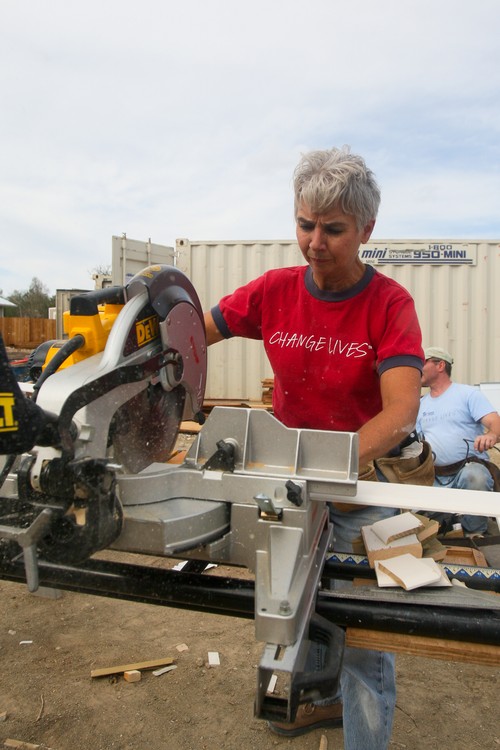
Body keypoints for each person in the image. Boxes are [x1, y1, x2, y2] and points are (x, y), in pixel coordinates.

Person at [204, 146, 424, 750]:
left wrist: (327, 468)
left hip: (355, 491)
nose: (315, 242)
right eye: (305, 225)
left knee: (369, 645)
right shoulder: (274, 292)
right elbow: (192, 335)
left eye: (333, 229)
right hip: (285, 488)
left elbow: (401, 411)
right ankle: (309, 702)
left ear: (366, 230)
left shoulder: (388, 305)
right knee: (289, 613)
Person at [417, 346, 500, 536]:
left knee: (475, 477)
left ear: (440, 365)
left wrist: (491, 435)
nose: (417, 368)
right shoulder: (421, 404)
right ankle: (440, 531)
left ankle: (475, 534)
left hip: (466, 468)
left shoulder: (467, 394)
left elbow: (496, 422)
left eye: (423, 362)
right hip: (434, 475)